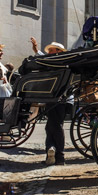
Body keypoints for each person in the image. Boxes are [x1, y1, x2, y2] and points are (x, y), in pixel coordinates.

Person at [31, 37, 68, 165]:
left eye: (51, 51)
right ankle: (52, 152)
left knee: (55, 126)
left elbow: (43, 60)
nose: (48, 53)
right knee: (51, 126)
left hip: (56, 97)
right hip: (53, 97)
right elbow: (43, 59)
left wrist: (37, 51)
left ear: (57, 52)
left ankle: (57, 154)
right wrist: (36, 50)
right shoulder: (56, 61)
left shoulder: (58, 62)